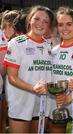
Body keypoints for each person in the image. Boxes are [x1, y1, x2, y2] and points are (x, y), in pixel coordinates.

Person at [3, 5, 55, 133]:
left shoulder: (50, 47)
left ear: (49, 26)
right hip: (21, 104)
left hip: (42, 105)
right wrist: (33, 88)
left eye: (45, 21)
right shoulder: (16, 43)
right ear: (29, 20)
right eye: (37, 19)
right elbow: (12, 77)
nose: (40, 24)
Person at [0, 10, 19, 132]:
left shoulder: (10, 38)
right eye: (15, 25)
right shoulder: (1, 37)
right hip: (2, 79)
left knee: (3, 107)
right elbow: (2, 67)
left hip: (3, 81)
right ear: (7, 23)